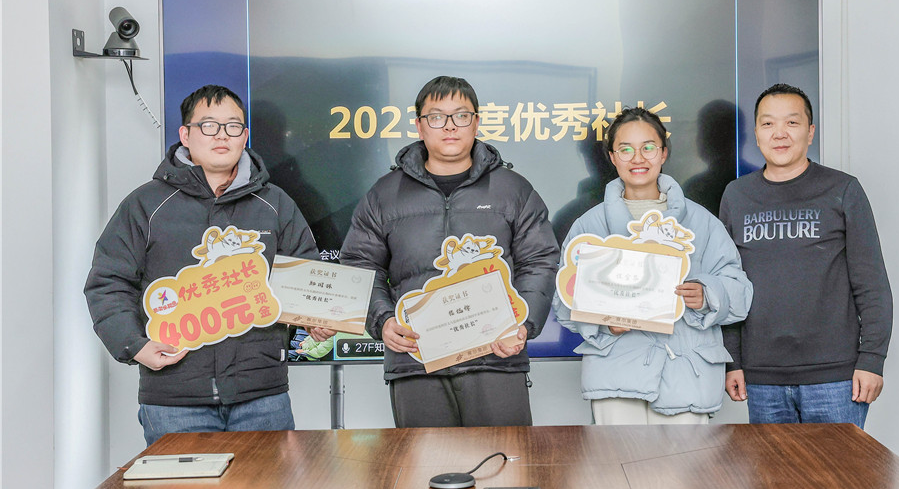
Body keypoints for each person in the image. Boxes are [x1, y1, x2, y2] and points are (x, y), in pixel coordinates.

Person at [85, 85, 319, 445]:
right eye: (208, 125)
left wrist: (318, 318)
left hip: (262, 395)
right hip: (174, 400)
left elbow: (308, 274)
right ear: (186, 135)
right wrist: (134, 345)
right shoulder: (146, 205)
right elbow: (108, 282)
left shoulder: (276, 204)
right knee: (184, 486)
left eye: (233, 126)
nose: (222, 135)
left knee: (268, 485)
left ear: (245, 136)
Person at [332, 76, 559, 427]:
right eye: (437, 117)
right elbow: (359, 265)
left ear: (476, 123)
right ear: (419, 126)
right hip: (416, 361)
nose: (450, 126)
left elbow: (540, 260)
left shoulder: (514, 190)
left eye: (461, 116)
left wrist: (523, 324)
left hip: (495, 358)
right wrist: (383, 320)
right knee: (425, 462)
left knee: (505, 458)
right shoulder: (384, 194)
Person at [555, 107, 752, 424]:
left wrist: (708, 294)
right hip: (616, 376)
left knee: (688, 460)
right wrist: (604, 323)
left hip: (687, 375)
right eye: (625, 149)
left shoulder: (702, 222)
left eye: (648, 147)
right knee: (619, 457)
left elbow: (739, 289)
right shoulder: (589, 226)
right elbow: (563, 302)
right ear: (612, 157)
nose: (638, 158)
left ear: (663, 152)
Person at [720, 83, 892, 428]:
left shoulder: (843, 189)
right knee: (773, 467)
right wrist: (732, 361)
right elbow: (728, 284)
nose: (779, 133)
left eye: (792, 122)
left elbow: (871, 284)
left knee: (837, 467)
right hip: (762, 377)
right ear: (756, 133)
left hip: (836, 377)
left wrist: (872, 360)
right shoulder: (737, 195)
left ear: (810, 132)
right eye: (768, 123)